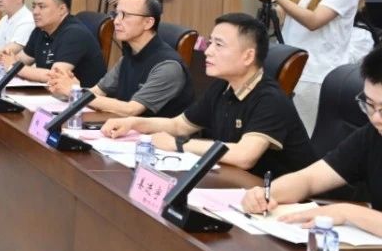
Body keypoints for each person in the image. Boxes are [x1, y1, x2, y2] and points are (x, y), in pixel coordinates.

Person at [102, 13, 315, 177]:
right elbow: (179, 126)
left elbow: (244, 156)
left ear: (248, 56)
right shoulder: (222, 87)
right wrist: (133, 123)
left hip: (287, 201)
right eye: (210, 42)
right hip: (237, 184)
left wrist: (179, 145)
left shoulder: (270, 99)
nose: (208, 51)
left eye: (218, 45)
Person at [242, 45, 382, 235]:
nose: (375, 118)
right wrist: (266, 193)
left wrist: (346, 212)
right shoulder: (372, 134)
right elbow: (309, 179)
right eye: (370, 104)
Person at [241, 0, 363, 134]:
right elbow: (281, 16)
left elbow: (314, 21)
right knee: (279, 132)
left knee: (306, 135)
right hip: (289, 67)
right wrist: (267, 0)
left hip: (317, 74)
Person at [47, 0, 191, 118]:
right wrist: (66, 87)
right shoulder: (129, 56)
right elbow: (97, 92)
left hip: (157, 137)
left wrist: (77, 92)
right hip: (124, 130)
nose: (116, 21)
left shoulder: (168, 67)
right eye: (116, 14)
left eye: (125, 15)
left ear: (148, 22)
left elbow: (131, 110)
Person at [0, 0, 106, 87]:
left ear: (62, 9)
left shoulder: (75, 34)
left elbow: (56, 77)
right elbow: (22, 60)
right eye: (34, 6)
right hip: (51, 92)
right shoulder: (40, 30)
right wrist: (6, 58)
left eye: (41, 7)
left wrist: (14, 67)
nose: (35, 12)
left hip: (81, 96)